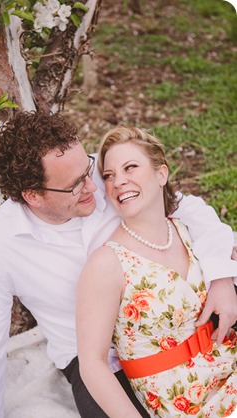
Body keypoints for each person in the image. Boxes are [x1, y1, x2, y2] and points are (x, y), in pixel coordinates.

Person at [0, 112, 236, 418]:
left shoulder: (106, 175)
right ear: (33, 196)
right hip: (95, 360)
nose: (95, 187)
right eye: (76, 186)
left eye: (89, 170)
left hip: (171, 322)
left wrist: (222, 276)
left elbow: (187, 208)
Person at [77, 126, 237, 418]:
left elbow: (217, 234)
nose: (118, 182)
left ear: (161, 174)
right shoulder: (106, 263)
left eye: (130, 168)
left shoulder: (188, 229)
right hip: (188, 403)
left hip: (229, 366)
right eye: (109, 176)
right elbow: (92, 364)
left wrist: (225, 277)